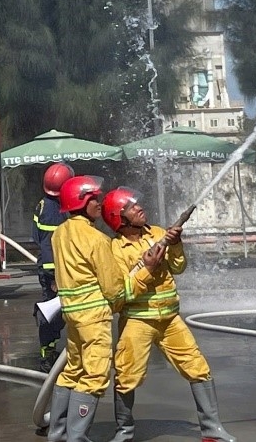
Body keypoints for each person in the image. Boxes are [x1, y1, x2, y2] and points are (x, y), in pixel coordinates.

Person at [103, 187, 235, 442]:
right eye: (132, 207)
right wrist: (147, 267)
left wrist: (175, 245)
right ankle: (124, 432)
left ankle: (211, 429)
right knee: (127, 375)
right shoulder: (115, 250)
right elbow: (121, 291)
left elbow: (179, 267)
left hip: (170, 320)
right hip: (138, 320)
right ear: (119, 219)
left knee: (198, 368)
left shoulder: (159, 234)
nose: (140, 207)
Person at [43, 175, 164, 442]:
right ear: (82, 202)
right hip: (94, 317)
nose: (99, 203)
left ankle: (58, 433)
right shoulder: (97, 240)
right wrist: (144, 273)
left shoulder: (60, 234)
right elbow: (114, 289)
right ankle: (77, 437)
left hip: (72, 315)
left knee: (73, 370)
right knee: (95, 376)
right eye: (94, 199)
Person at [33, 162, 73, 372]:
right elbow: (54, 243)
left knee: (54, 313)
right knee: (53, 314)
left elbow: (36, 237)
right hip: (56, 272)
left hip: (50, 270)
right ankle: (47, 357)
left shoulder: (41, 205)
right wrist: (54, 276)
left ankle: (48, 352)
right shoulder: (58, 210)